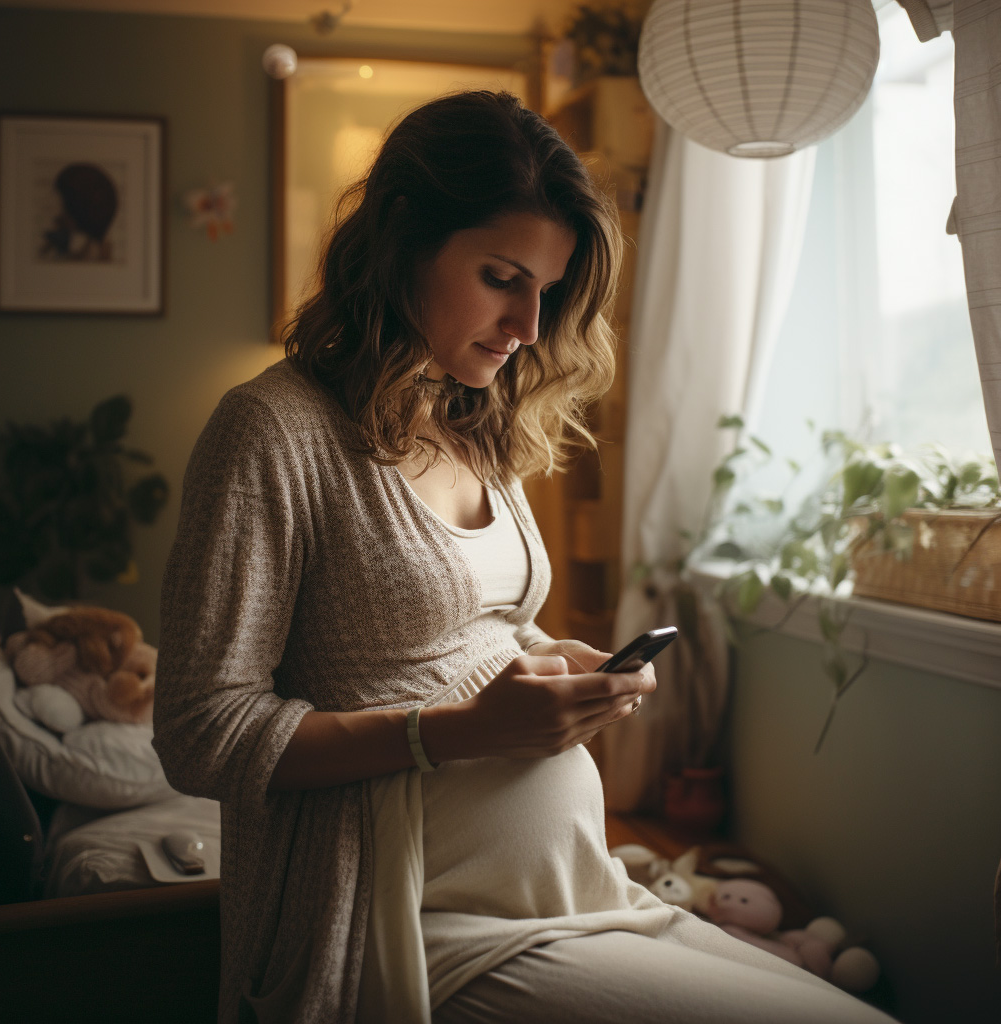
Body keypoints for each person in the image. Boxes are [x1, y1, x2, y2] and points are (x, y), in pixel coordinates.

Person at [153, 91, 895, 1024]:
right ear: (402, 240)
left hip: (570, 889)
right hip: (413, 922)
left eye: (546, 290)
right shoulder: (271, 431)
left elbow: (474, 624)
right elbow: (199, 731)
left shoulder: (469, 421)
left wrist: (553, 667)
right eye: (502, 276)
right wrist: (458, 730)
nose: (529, 326)